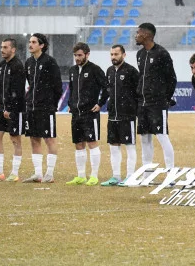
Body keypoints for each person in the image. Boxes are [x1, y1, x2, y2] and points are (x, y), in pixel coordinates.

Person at [135, 23, 177, 170]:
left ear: (147, 35)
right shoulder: (139, 54)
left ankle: (170, 173)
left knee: (162, 136)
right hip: (142, 103)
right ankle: (147, 174)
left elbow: (172, 78)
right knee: (145, 139)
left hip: (157, 104)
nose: (136, 35)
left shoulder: (162, 53)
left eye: (138, 33)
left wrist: (165, 99)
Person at [65, 43, 108, 186]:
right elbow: (71, 89)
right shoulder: (72, 70)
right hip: (76, 114)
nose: (77, 58)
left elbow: (107, 87)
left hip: (90, 113)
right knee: (78, 144)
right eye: (75, 55)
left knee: (92, 143)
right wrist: (71, 104)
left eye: (80, 55)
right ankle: (81, 176)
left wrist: (100, 103)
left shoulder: (95, 69)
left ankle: (94, 176)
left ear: (87, 54)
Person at [22, 34, 63, 183]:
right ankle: (38, 174)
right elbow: (30, 84)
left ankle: (49, 174)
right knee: (34, 139)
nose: (30, 44)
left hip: (46, 108)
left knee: (49, 139)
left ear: (42, 45)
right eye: (30, 42)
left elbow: (58, 86)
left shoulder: (50, 62)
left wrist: (51, 103)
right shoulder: (28, 63)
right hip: (31, 107)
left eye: (33, 42)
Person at [0, 38, 26, 182]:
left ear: (13, 49)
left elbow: (19, 91)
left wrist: (11, 109)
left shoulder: (18, 66)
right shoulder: (2, 65)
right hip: (2, 109)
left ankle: (15, 173)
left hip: (15, 110)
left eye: (5, 47)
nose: (2, 50)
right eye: (1, 47)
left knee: (15, 140)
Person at [103, 44, 140, 186]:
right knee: (113, 146)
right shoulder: (109, 71)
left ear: (123, 55)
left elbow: (138, 93)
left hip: (127, 116)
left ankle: (130, 176)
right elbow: (108, 91)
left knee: (130, 146)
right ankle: (116, 176)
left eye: (116, 54)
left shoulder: (131, 71)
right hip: (112, 115)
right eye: (111, 54)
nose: (113, 57)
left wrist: (135, 111)